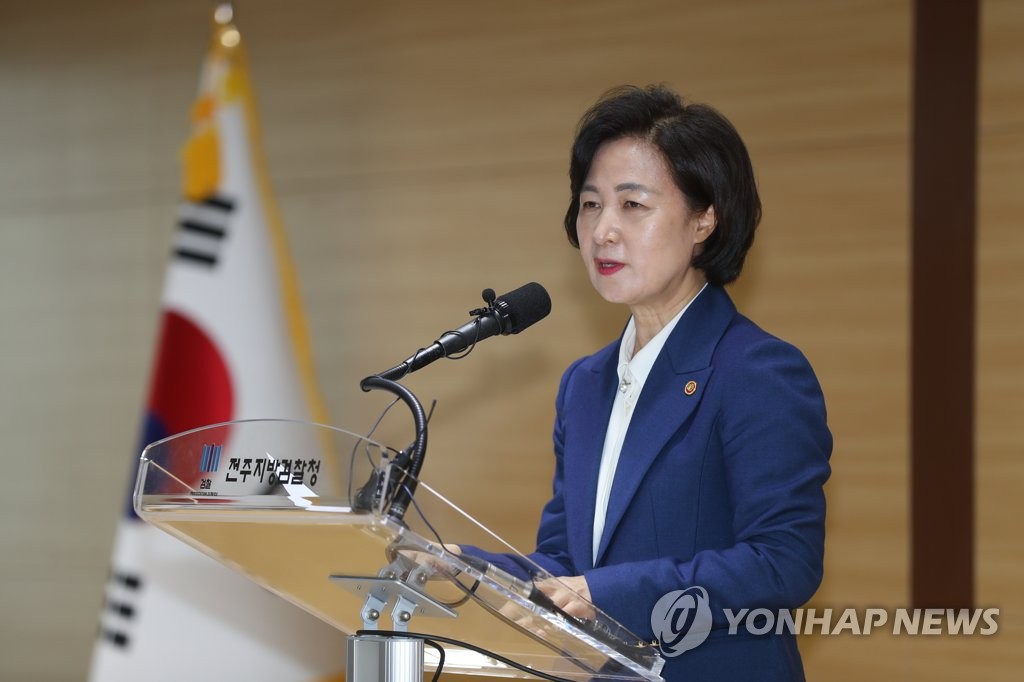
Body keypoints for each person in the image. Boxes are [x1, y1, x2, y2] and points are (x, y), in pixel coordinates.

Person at [459, 84, 832, 682]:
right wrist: (464, 568)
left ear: (704, 219)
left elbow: (783, 562)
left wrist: (608, 592)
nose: (602, 231)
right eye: (590, 204)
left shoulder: (757, 371)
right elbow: (565, 563)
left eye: (633, 204)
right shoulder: (584, 384)